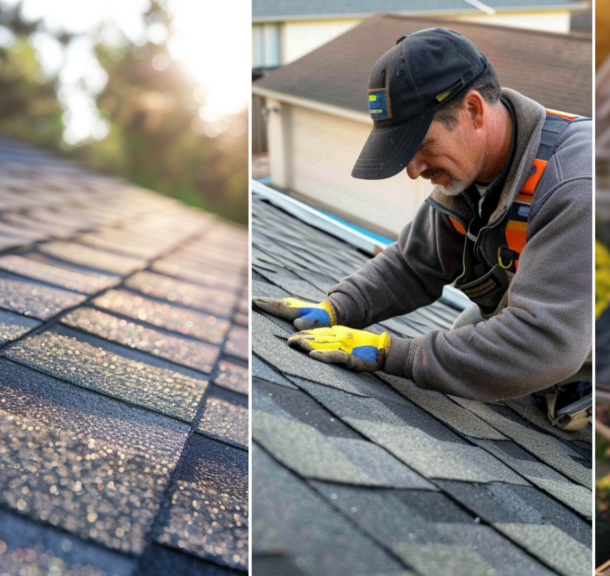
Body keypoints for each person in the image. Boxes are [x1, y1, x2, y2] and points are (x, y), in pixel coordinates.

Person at [253, 27, 592, 429]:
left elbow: (544, 342)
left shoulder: (575, 186)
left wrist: (391, 354)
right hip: (570, 323)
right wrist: (338, 307)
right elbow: (415, 264)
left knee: (510, 358)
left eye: (422, 146)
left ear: (474, 111)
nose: (413, 171)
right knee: (469, 332)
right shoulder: (475, 170)